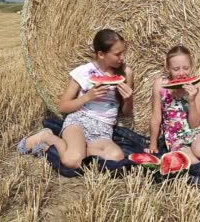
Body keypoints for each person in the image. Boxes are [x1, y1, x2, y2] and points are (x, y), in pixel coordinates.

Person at [17, 29, 134, 169]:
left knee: (116, 157)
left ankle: (77, 150)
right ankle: (46, 137)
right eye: (117, 54)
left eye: (123, 52)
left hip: (104, 128)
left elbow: (126, 112)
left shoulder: (126, 73)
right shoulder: (83, 71)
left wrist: (128, 99)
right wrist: (88, 97)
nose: (122, 58)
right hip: (79, 121)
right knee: (73, 161)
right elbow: (63, 106)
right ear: (101, 54)